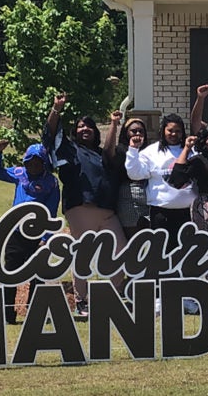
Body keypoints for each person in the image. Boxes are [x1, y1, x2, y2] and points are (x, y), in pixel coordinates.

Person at [44, 94, 128, 315]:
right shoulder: (69, 150)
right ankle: (81, 301)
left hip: (107, 212)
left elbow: (112, 149)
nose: (85, 129)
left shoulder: (102, 154)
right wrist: (57, 109)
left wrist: (114, 123)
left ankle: (118, 295)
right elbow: (51, 135)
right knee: (83, 256)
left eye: (89, 126)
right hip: (80, 208)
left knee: (119, 250)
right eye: (80, 127)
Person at [0, 139, 60, 324]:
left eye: (38, 162)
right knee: (9, 273)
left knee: (38, 274)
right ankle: (7, 315)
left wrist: (47, 237)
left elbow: (51, 211)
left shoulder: (51, 182)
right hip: (15, 232)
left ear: (44, 162)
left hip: (37, 236)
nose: (33, 165)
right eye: (30, 161)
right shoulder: (19, 173)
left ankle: (35, 313)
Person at [125, 113, 194, 244]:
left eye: (178, 131)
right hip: (161, 213)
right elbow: (135, 174)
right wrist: (133, 150)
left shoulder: (190, 150)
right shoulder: (150, 151)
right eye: (170, 130)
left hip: (189, 212)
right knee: (163, 254)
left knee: (188, 255)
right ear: (163, 130)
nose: (174, 134)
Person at [104, 111, 150, 239]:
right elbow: (108, 150)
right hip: (128, 198)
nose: (137, 134)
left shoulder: (149, 151)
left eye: (141, 131)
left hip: (148, 197)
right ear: (126, 133)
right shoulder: (120, 150)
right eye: (133, 131)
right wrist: (114, 123)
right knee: (132, 240)